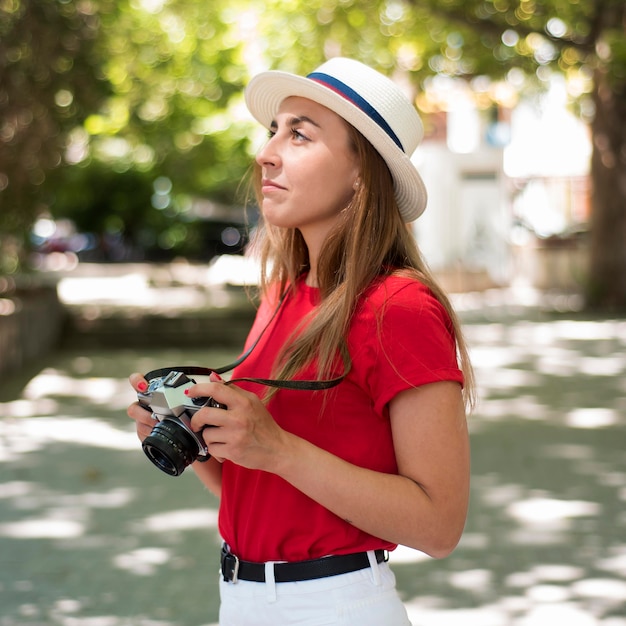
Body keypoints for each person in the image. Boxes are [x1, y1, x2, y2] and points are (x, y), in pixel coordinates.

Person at [127, 57, 474, 626]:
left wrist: (280, 448)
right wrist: (191, 434)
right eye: (272, 132)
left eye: (300, 135)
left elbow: (440, 526)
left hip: (335, 604)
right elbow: (263, 490)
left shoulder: (400, 307)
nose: (267, 153)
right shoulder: (284, 295)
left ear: (363, 171)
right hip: (241, 598)